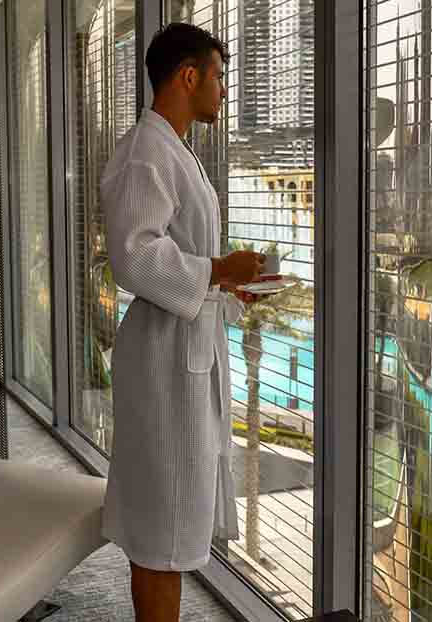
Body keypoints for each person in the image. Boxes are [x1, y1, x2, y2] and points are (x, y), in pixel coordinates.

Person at [99, 22, 274, 622]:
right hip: (163, 363)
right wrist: (217, 268)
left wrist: (223, 286)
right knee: (162, 535)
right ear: (189, 76)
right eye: (220, 76)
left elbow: (176, 259)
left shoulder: (174, 151)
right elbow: (135, 257)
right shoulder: (148, 155)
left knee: (166, 523)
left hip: (181, 352)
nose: (225, 90)